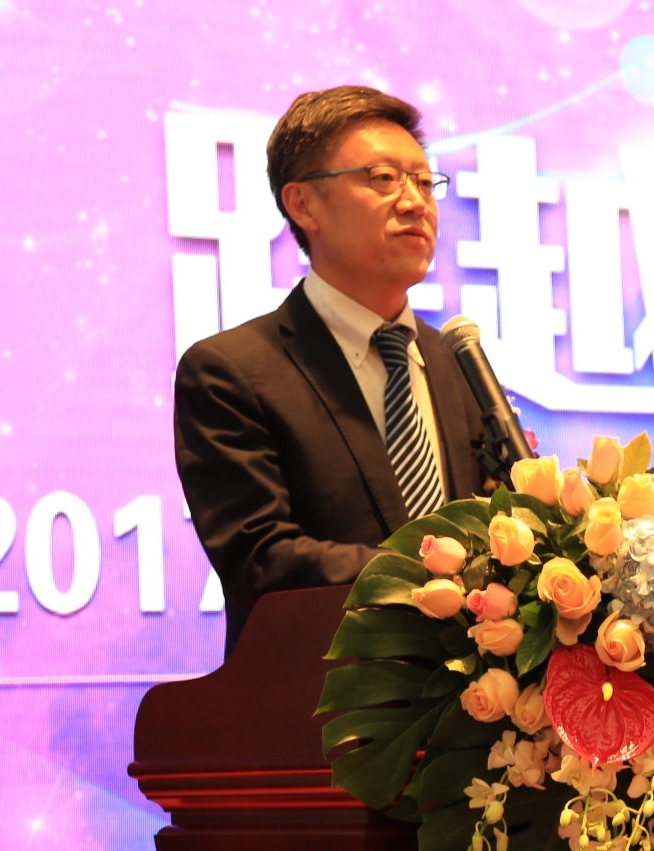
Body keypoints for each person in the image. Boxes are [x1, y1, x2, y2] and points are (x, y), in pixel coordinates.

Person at [175, 86, 489, 655]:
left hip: (476, 698)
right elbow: (261, 559)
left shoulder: (456, 362)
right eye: (384, 178)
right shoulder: (231, 372)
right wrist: (447, 573)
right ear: (303, 205)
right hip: (319, 693)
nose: (415, 202)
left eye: (424, 182)